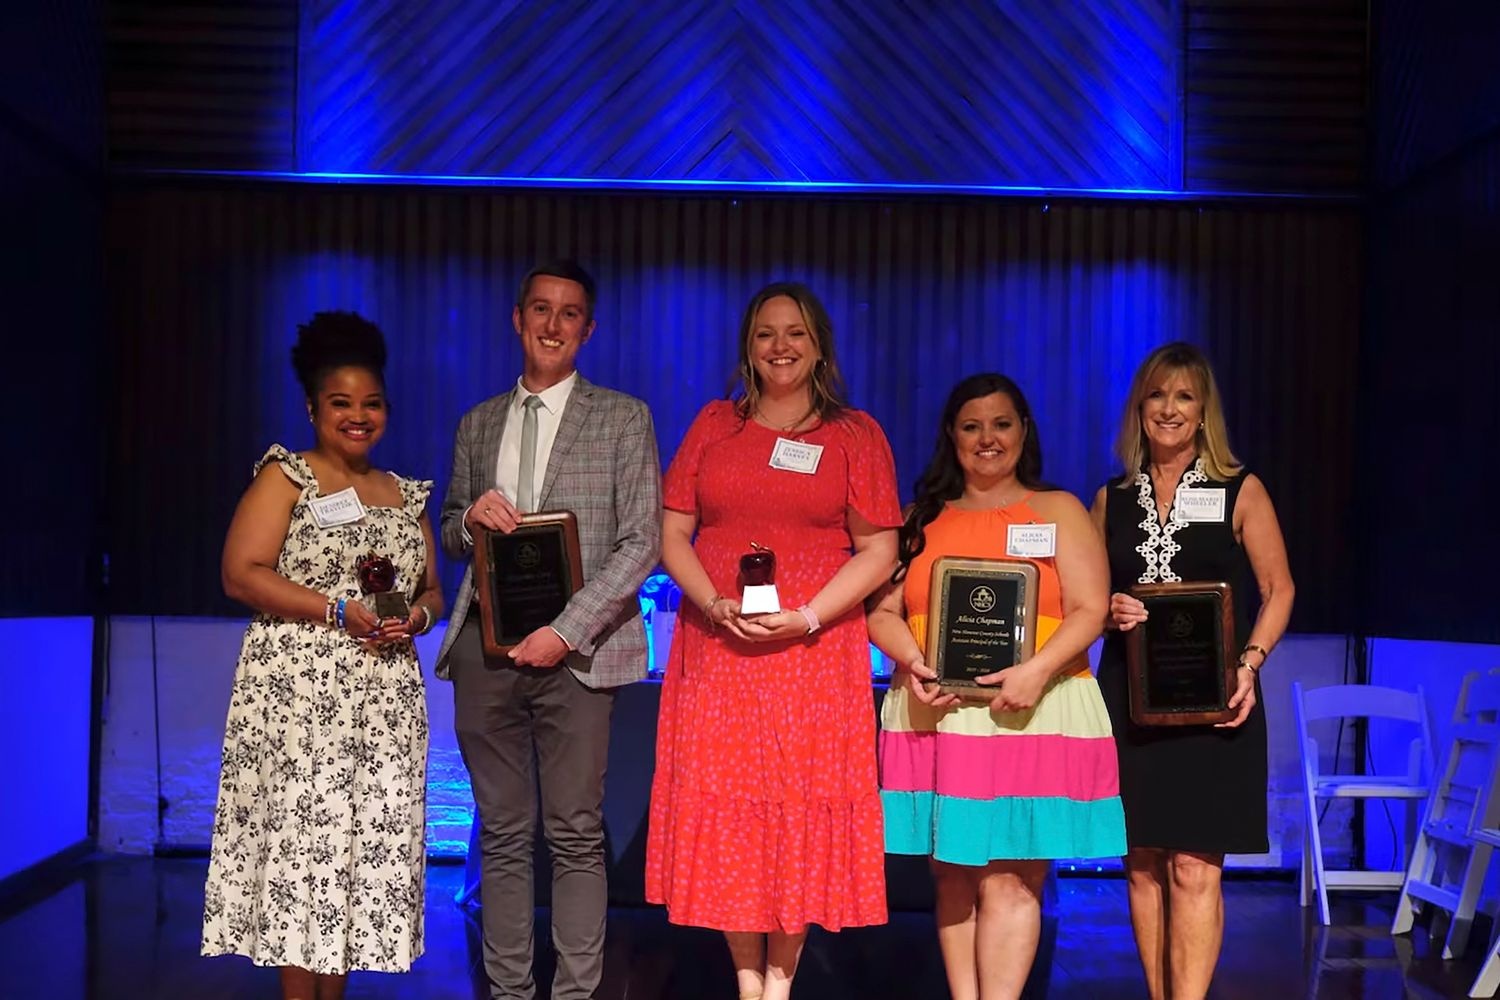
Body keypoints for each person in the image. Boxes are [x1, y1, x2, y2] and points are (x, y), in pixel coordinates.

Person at [645, 282, 902, 1000]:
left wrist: (812, 616)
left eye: (794, 333)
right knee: (733, 810)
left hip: (813, 657)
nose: (780, 346)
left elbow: (878, 548)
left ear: (819, 345)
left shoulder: (855, 436)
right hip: (721, 651)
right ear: (747, 348)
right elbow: (672, 534)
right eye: (765, 333)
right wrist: (712, 602)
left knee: (797, 806)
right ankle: (746, 979)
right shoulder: (712, 427)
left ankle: (778, 985)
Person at [435, 260, 662, 1000]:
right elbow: (449, 529)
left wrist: (565, 630)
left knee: (573, 832)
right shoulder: (478, 422)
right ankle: (506, 991)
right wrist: (468, 519)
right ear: (517, 317)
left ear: (587, 329)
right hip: (486, 646)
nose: (552, 325)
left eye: (569, 314)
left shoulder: (623, 417)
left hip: (580, 653)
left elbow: (642, 541)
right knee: (500, 832)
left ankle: (573, 994)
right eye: (541, 309)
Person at [202, 312, 442, 1000]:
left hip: (383, 705)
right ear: (313, 408)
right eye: (341, 403)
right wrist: (337, 609)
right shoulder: (289, 476)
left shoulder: (407, 494)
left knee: (350, 864)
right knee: (301, 858)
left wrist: (416, 617)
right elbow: (240, 572)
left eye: (371, 404)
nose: (357, 416)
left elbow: (431, 589)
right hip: (301, 699)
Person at [868, 373, 1125, 1000]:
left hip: (1033, 712)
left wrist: (1035, 671)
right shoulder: (918, 518)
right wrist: (915, 664)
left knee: (1012, 880)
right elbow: (880, 612)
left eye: (1002, 424)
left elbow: (1091, 608)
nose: (988, 439)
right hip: (941, 714)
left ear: (1024, 431)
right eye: (972, 426)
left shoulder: (1059, 509)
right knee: (953, 878)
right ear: (951, 437)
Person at [1090, 341, 1294, 1000]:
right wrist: (1107, 609)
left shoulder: (1242, 488)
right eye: (1157, 395)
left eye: (1183, 396)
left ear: (1203, 407)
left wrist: (1252, 663)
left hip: (1217, 702)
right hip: (1130, 700)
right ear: (1138, 407)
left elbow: (1279, 588)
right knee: (1144, 863)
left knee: (1196, 868)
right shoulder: (1111, 499)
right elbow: (1084, 603)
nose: (1169, 409)